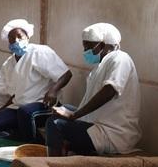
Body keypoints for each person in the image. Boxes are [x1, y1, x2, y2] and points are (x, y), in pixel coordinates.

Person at [46, 23, 141, 157]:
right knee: (62, 110)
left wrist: (74, 115)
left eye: (88, 47)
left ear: (102, 45)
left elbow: (109, 91)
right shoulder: (101, 65)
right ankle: (70, 152)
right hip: (98, 124)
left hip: (111, 132)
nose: (85, 52)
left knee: (54, 124)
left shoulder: (120, 59)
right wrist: (71, 113)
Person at [0, 19, 72, 142]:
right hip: (18, 107)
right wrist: (1, 110)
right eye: (12, 38)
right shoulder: (8, 66)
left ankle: (35, 149)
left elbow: (66, 74)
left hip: (43, 105)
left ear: (27, 37)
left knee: (25, 114)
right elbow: (14, 95)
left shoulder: (39, 52)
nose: (16, 41)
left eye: (20, 36)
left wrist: (53, 90)